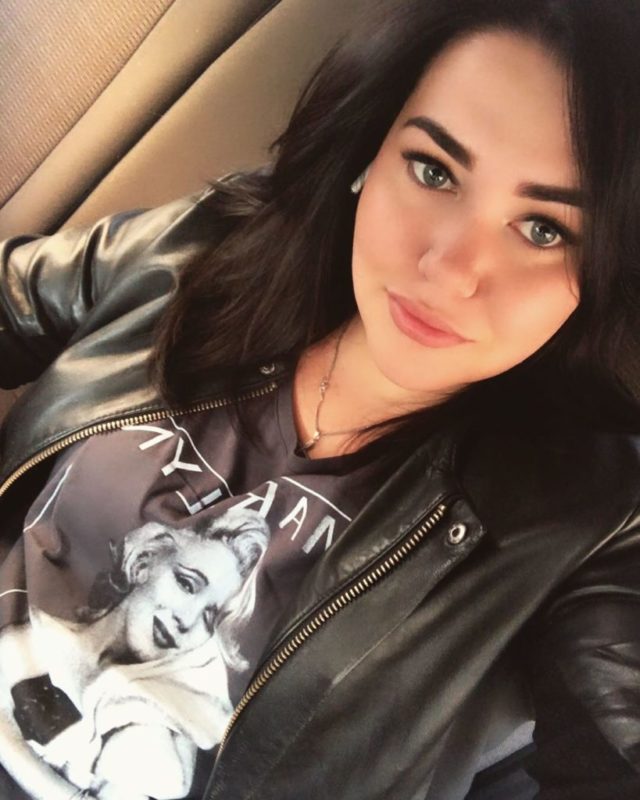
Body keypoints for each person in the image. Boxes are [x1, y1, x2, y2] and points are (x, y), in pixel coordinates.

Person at [1, 0, 640, 798]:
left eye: (543, 229)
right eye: (434, 170)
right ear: (370, 151)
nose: (448, 269)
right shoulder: (214, 248)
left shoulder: (590, 519)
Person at [0, 509, 270, 799]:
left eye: (210, 618)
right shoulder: (28, 642)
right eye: (186, 584)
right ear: (144, 562)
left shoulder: (165, 725)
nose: (186, 618)